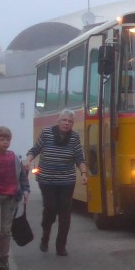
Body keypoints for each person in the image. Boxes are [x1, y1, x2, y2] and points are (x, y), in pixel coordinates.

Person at [25, 109, 88, 257]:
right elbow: (35, 149)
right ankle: (45, 237)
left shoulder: (74, 137)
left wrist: (84, 173)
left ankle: (61, 246)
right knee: (50, 209)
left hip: (66, 181)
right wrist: (28, 160)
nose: (67, 123)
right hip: (47, 180)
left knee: (65, 213)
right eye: (64, 120)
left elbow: (79, 157)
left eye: (70, 121)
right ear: (58, 121)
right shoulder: (47, 133)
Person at [0, 126, 31, 270]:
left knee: (6, 230)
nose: (5, 142)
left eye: (7, 139)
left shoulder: (14, 158)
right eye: (2, 139)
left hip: (10, 198)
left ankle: (4, 259)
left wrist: (25, 190)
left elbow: (22, 176)